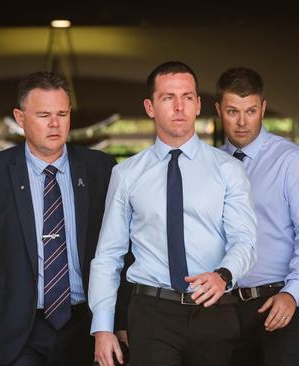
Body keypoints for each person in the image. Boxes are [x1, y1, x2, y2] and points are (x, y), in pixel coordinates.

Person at [88, 61, 257, 366]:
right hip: (152, 313)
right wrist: (102, 327)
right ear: (150, 107)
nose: (179, 107)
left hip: (214, 309)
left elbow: (245, 241)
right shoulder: (126, 174)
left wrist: (224, 276)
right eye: (168, 98)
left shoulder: (228, 169)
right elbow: (108, 256)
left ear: (198, 104)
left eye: (187, 97)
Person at [0, 71, 118, 365]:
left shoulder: (101, 168)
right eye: (43, 115)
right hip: (15, 330)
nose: (55, 124)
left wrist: (120, 323)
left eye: (62, 114)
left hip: (85, 326)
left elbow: (121, 250)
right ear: (20, 117)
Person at [216, 67, 299, 366]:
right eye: (232, 111)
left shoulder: (292, 162)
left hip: (281, 302)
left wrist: (292, 294)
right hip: (225, 309)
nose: (242, 122)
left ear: (263, 108)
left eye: (251, 111)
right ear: (218, 110)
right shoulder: (211, 164)